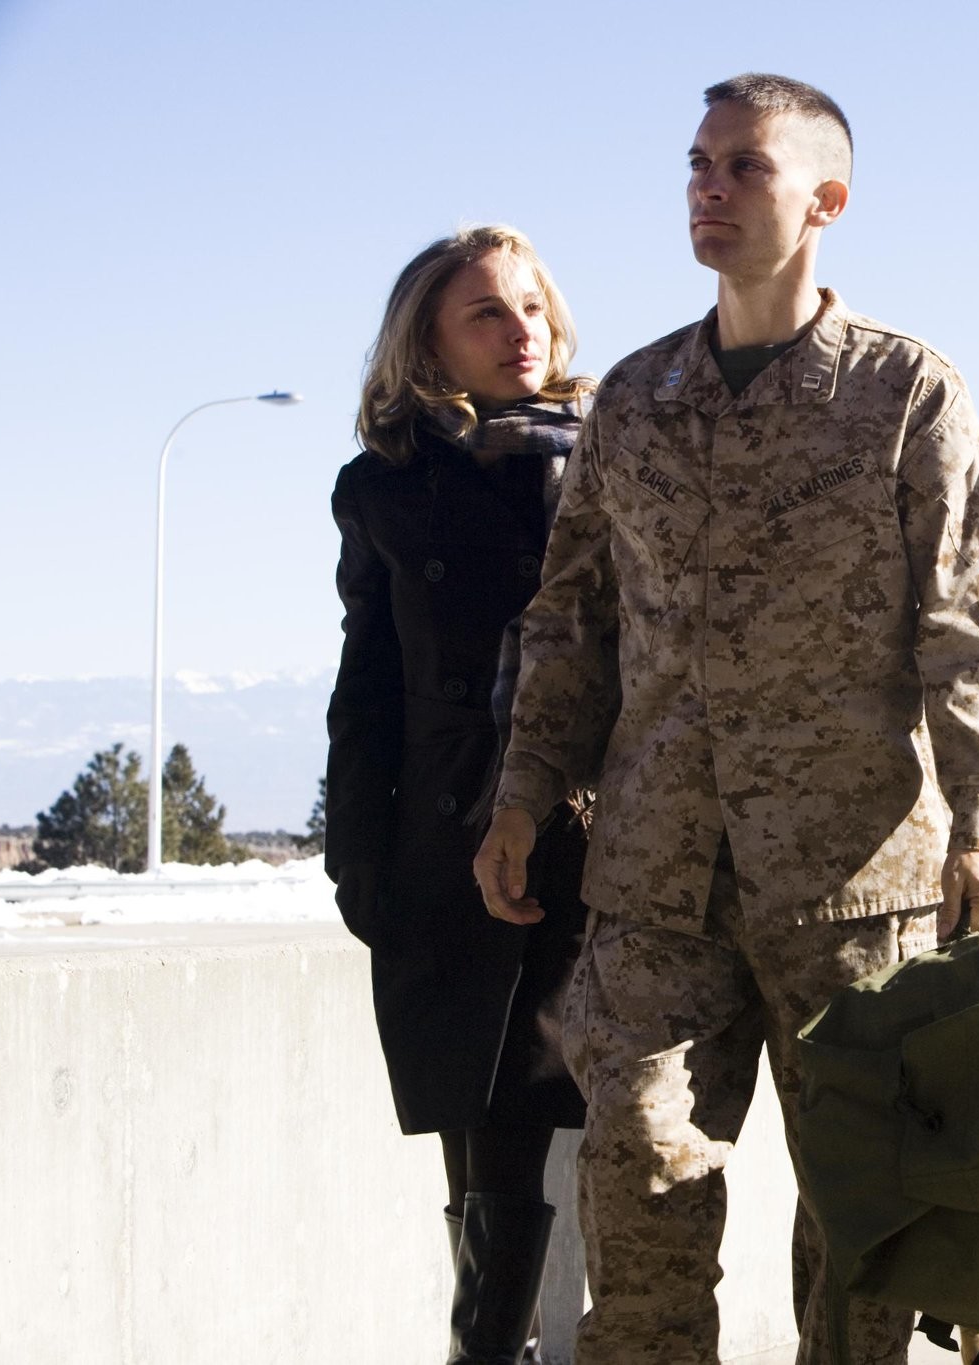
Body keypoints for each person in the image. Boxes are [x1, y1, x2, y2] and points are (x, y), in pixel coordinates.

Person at [471, 74, 979, 1365]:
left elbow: (973, 624)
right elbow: (573, 621)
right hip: (659, 871)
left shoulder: (904, 393)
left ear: (826, 200)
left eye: (744, 167)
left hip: (856, 883)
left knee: (860, 1237)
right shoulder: (634, 396)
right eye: (697, 164)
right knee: (641, 1175)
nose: (709, 190)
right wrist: (522, 795)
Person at [325, 224, 594, 1365]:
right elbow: (368, 683)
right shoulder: (385, 486)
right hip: (440, 842)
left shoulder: (610, 460)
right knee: (465, 1111)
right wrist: (357, 859)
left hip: (583, 843)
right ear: (426, 339)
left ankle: (492, 1350)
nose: (519, 331)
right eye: (485, 311)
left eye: (531, 306)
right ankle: (496, 1347)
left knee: (526, 1109)